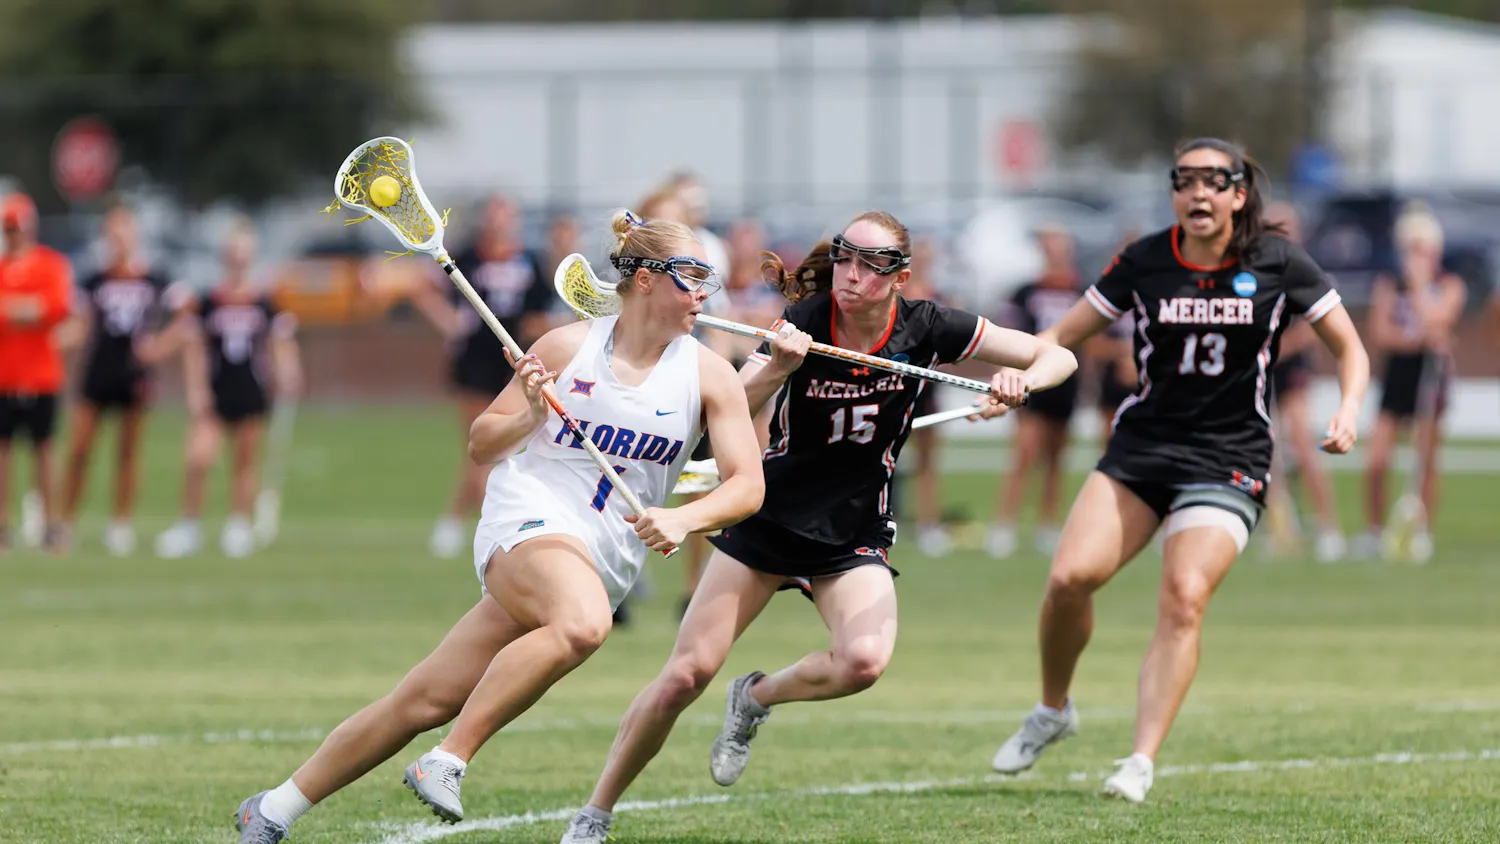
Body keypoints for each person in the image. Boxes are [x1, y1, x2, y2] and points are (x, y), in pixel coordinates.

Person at [230, 210, 765, 844]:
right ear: (645, 280)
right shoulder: (568, 347)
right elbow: (484, 443)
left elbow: (746, 486)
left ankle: (272, 809)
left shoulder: (710, 375)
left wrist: (683, 516)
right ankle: (449, 759)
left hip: (606, 557)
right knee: (584, 624)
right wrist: (528, 411)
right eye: (692, 276)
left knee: (423, 700)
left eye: (710, 279)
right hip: (529, 517)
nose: (705, 294)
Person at [557, 210, 1078, 844]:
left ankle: (755, 699)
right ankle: (596, 811)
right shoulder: (805, 322)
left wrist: (1021, 379)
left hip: (855, 527)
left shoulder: (930, 327)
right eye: (844, 258)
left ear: (900, 277)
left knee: (863, 661)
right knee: (685, 675)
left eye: (870, 265)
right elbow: (726, 405)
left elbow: (1060, 357)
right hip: (769, 516)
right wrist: (776, 366)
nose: (851, 275)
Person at [987, 138, 1369, 803]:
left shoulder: (1278, 260)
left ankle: (1138, 760)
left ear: (1238, 194)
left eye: (1213, 181)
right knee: (1070, 578)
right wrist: (1014, 378)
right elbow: (1060, 337)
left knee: (1184, 595)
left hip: (1229, 456)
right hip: (1141, 449)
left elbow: (1350, 346)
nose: (1197, 193)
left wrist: (1350, 408)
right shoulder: (1144, 260)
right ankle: (1053, 710)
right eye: (1184, 180)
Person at [411, 196, 555, 560]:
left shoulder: (529, 261)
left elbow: (539, 313)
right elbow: (422, 287)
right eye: (493, 217)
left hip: (516, 365)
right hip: (475, 362)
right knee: (480, 448)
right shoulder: (467, 258)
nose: (498, 224)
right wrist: (449, 321)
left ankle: (481, 523)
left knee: (512, 450)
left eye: (505, 217)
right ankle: (460, 522)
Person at [154, 222, 303, 559]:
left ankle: (238, 525)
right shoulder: (210, 301)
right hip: (217, 390)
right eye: (233, 253)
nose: (238, 259)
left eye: (244, 254)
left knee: (245, 461)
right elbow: (193, 345)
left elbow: (281, 342)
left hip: (251, 388)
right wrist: (196, 389)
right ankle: (188, 526)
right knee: (199, 457)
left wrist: (289, 371)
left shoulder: (265, 301)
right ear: (225, 256)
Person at [55, 206, 181, 556]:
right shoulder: (95, 280)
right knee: (80, 449)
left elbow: (184, 318)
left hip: (135, 374)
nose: (120, 239)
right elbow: (80, 326)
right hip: (99, 370)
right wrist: (53, 341)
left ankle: (120, 525)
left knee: (128, 452)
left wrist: (160, 345)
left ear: (136, 236)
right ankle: (64, 522)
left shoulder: (154, 279)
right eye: (114, 232)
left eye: (126, 231)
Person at [1354, 202, 1466, 562]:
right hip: (1399, 375)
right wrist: (1420, 336)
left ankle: (1421, 532)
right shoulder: (1389, 284)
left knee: (1426, 460)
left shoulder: (1449, 284)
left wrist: (1420, 291)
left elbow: (1440, 320)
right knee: (1377, 459)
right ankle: (1373, 531)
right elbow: (1381, 332)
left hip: (1430, 377)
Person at [987, 224, 1085, 559]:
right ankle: (1005, 525)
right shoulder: (1026, 292)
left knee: (1056, 460)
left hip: (1066, 384)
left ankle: (1047, 525)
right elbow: (1008, 337)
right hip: (1031, 383)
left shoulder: (1080, 291)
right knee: (1024, 456)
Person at [1261, 201, 1346, 561]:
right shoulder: (1257, 272)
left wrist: (1277, 349)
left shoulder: (1306, 272)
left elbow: (1317, 330)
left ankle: (1329, 527)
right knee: (1265, 451)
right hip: (1263, 369)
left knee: (1301, 443)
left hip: (1291, 367)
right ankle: (1282, 528)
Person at [0, 192, 74, 553]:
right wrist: (28, 309)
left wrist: (17, 309)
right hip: (5, 375)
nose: (13, 236)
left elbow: (56, 307)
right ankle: (2, 526)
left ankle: (52, 526)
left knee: (44, 450)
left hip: (42, 374)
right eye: (8, 229)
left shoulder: (50, 265)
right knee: (3, 451)